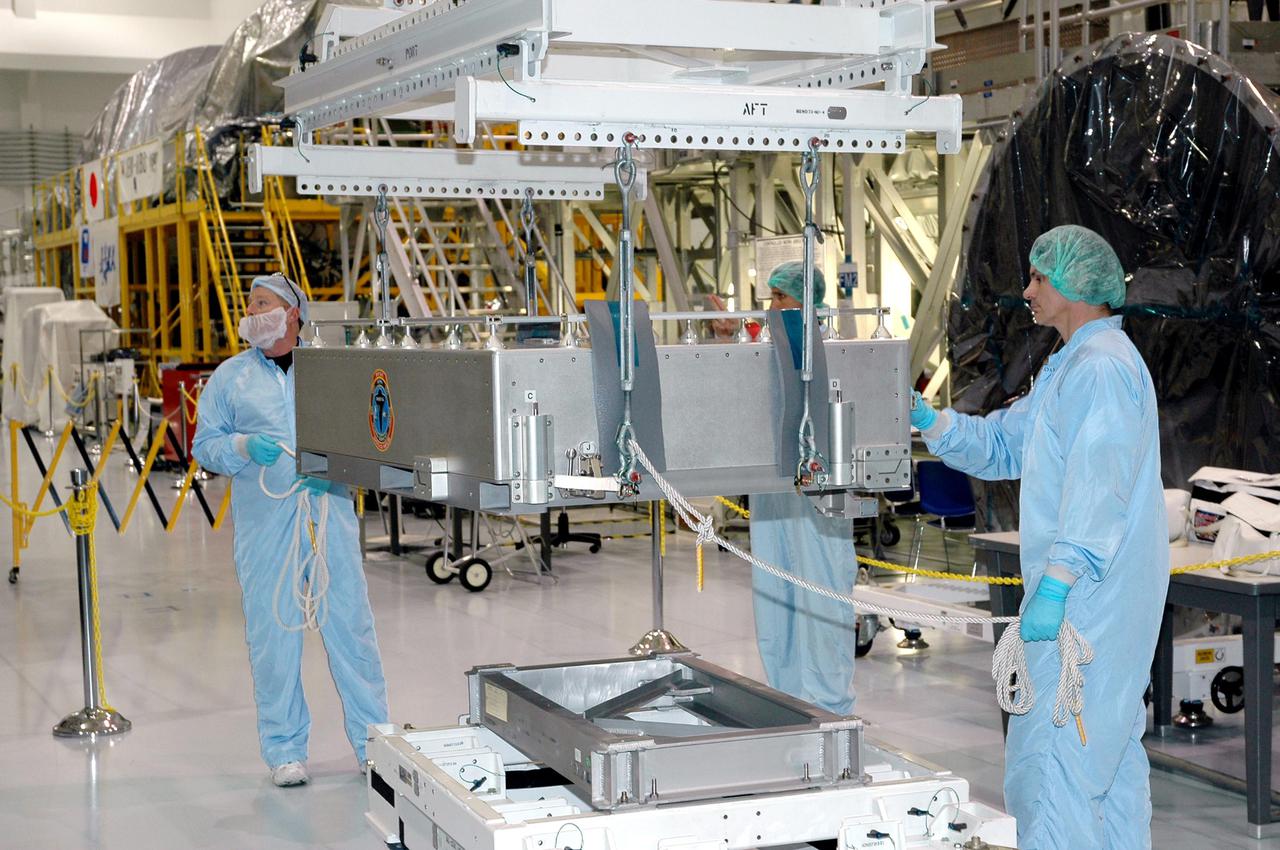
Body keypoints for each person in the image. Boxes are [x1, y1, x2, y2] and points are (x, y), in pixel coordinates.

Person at [911, 225, 1167, 849]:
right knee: (1106, 763)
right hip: (1087, 599)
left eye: (1038, 278)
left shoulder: (1102, 369)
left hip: (1084, 603)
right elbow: (1005, 444)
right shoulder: (1070, 364)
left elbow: (1100, 487)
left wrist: (1056, 584)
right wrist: (930, 420)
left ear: (1076, 285)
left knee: (1056, 770)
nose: (1026, 290)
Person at [193, 273, 388, 788]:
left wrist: (337, 471)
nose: (253, 311)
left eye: (263, 303)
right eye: (250, 304)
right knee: (272, 637)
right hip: (265, 526)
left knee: (352, 630)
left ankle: (374, 744)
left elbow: (370, 435)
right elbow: (204, 447)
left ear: (292, 315)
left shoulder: (328, 371)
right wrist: (240, 448)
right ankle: (284, 750)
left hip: (329, 516)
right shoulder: (229, 378)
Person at [750, 261, 858, 716]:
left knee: (821, 593)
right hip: (771, 487)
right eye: (770, 299)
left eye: (781, 298)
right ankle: (787, 698)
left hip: (819, 490)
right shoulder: (761, 349)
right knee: (775, 595)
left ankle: (829, 704)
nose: (773, 308)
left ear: (806, 301)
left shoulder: (834, 350)